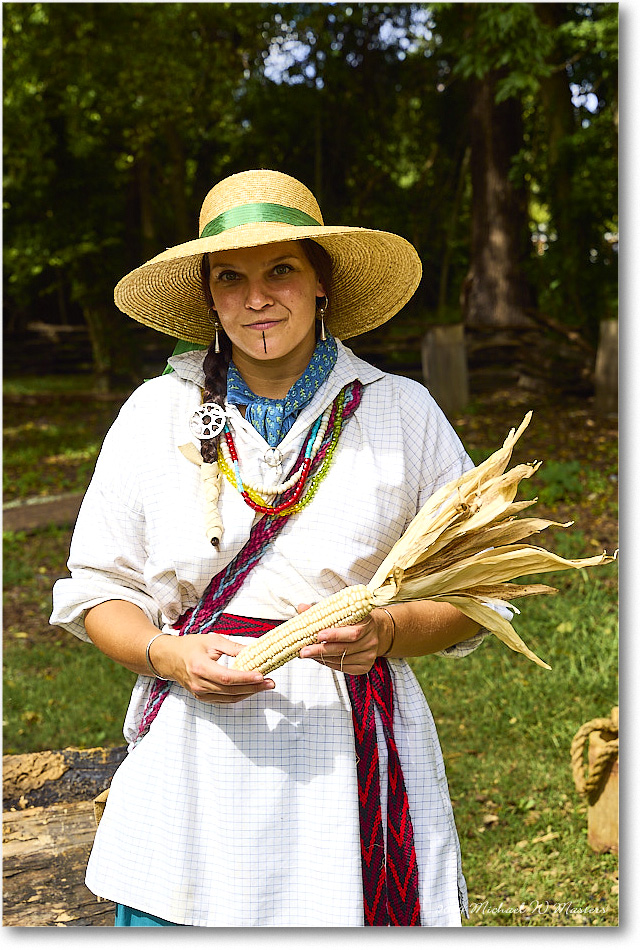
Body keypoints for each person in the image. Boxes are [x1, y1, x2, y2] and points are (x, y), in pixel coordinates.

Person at [51, 169, 501, 928]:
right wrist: (168, 656)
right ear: (208, 296)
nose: (257, 298)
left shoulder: (402, 413)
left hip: (350, 760)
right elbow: (99, 590)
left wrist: (387, 632)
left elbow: (478, 591)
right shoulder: (156, 413)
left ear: (322, 281)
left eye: (281, 271)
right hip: (195, 760)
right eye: (231, 278)